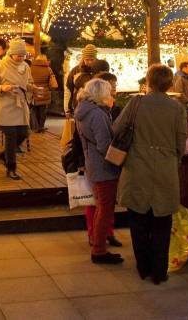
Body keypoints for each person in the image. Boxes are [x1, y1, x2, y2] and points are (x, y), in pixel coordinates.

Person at [112, 62, 186, 285]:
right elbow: (181, 141)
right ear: (169, 83)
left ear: (148, 81)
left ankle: (143, 267)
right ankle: (159, 271)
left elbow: (116, 128)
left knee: (138, 220)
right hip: (165, 169)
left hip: (137, 167)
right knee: (162, 222)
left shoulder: (136, 103)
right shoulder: (177, 108)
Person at [75, 77, 123, 264]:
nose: (111, 94)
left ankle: (97, 243)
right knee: (105, 208)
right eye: (109, 91)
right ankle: (99, 250)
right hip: (103, 167)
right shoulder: (96, 114)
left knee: (100, 207)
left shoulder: (85, 111)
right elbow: (104, 145)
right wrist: (120, 158)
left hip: (93, 165)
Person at [0, 38, 32, 179]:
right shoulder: (0, 66)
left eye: (23, 55)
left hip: (19, 106)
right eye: (18, 55)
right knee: (11, 137)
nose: (21, 58)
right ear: (11, 53)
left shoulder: (25, 66)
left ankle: (4, 155)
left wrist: (33, 88)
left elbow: (27, 83)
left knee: (24, 133)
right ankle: (11, 168)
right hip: (4, 108)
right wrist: (2, 88)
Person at [28, 53, 58, 132]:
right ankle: (41, 127)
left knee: (34, 109)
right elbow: (51, 82)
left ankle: (35, 127)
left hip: (34, 91)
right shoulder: (48, 69)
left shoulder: (30, 68)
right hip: (44, 92)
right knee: (42, 111)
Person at [66, 44, 99, 116]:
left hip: (97, 107)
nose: (89, 62)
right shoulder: (76, 71)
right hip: (79, 106)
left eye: (92, 59)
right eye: (87, 59)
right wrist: (67, 108)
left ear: (95, 59)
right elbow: (69, 90)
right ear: (83, 58)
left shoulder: (99, 70)